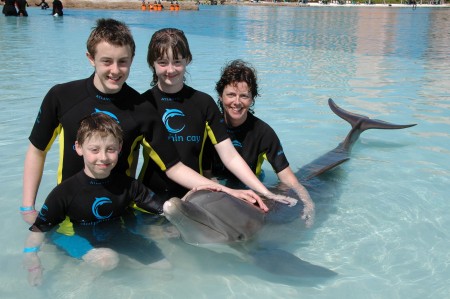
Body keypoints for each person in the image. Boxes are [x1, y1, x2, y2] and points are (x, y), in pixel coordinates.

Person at [21, 18, 262, 225]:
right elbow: (37, 150)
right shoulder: (62, 96)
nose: (115, 70)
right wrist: (27, 207)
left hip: (120, 215)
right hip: (67, 213)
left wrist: (228, 190)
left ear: (133, 59)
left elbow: (173, 166)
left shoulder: (142, 108)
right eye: (107, 61)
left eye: (123, 61)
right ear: (90, 58)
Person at [140, 28, 297, 211]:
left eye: (177, 61)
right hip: (149, 205)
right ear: (152, 63)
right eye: (162, 62)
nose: (170, 69)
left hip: (196, 203)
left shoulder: (203, 103)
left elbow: (230, 156)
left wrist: (267, 193)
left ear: (188, 60)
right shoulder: (142, 106)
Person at [22, 113, 183, 286]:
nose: (103, 157)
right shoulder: (64, 192)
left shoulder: (129, 185)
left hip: (114, 233)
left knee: (165, 267)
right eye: (94, 149)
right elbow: (39, 228)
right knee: (108, 259)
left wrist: (177, 221)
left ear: (120, 148)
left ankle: (119, 263)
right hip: (74, 235)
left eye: (110, 149)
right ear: (78, 147)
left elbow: (163, 209)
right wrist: (32, 258)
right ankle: (98, 267)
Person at [204, 60, 315, 227]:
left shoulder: (264, 133)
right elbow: (206, 173)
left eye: (244, 96)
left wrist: (308, 203)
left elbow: (288, 178)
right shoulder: (208, 127)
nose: (237, 102)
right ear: (220, 96)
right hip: (218, 185)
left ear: (252, 99)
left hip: (251, 185)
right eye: (231, 94)